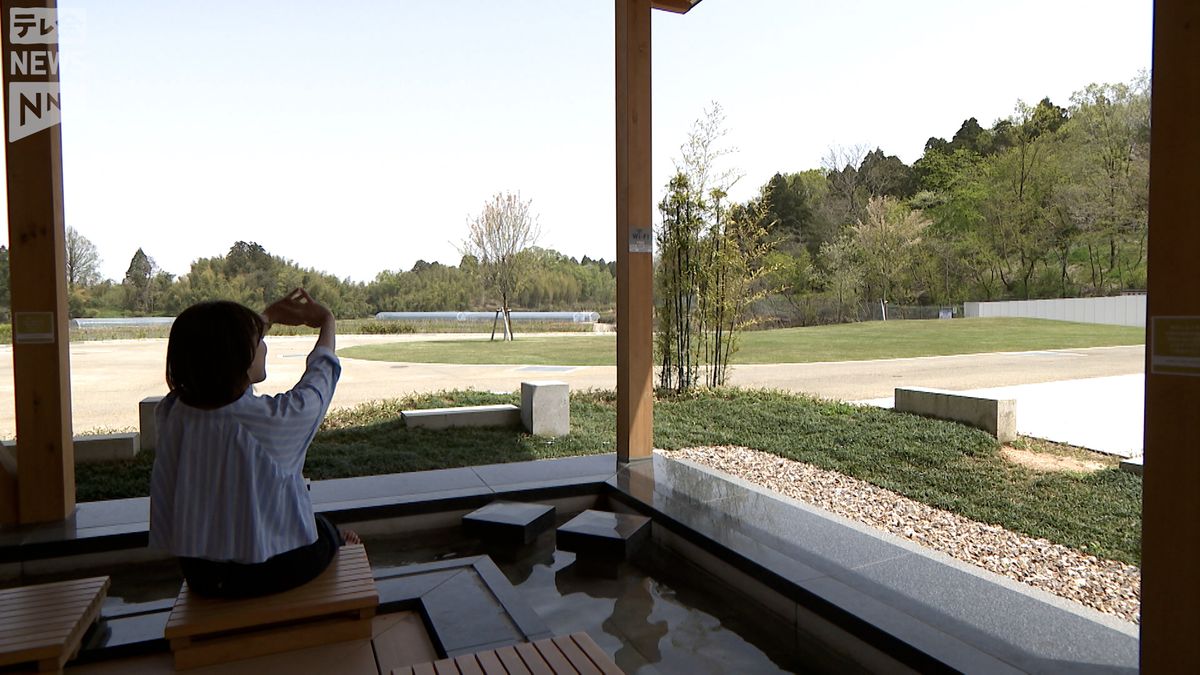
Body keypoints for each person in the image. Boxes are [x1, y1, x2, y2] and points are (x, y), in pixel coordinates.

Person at [149, 288, 359, 598]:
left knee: (313, 524)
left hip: (202, 574)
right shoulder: (265, 422)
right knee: (324, 530)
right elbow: (318, 385)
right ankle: (337, 541)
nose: (264, 346)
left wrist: (268, 316)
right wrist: (327, 321)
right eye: (258, 342)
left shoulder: (173, 412)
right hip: (263, 572)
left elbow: (209, 348)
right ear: (238, 358)